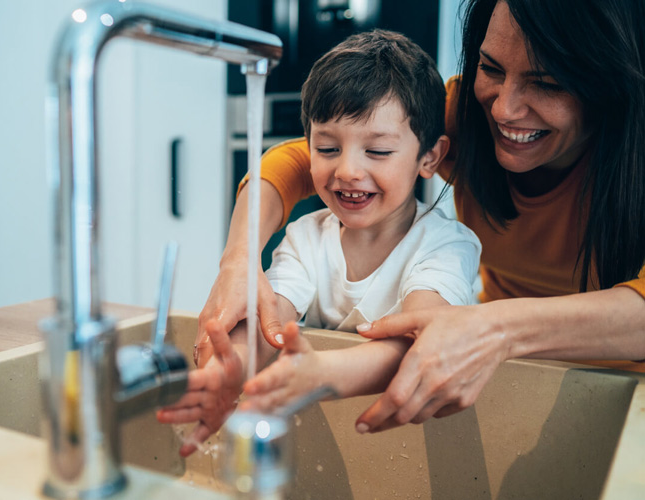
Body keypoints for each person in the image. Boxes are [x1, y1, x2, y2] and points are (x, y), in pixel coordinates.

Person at [197, 0, 645, 434]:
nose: (504, 109)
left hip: (624, 391)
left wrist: (496, 328)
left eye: (546, 82)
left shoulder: (444, 244)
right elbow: (297, 161)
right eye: (490, 68)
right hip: (495, 371)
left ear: (610, 78)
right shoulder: (468, 115)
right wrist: (238, 259)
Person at [157, 29, 481, 454]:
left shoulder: (447, 244)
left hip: (426, 448)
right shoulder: (306, 237)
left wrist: (321, 372)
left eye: (378, 152)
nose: (347, 170)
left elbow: (424, 339)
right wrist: (229, 366)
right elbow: (272, 319)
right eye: (327, 148)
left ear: (429, 157)